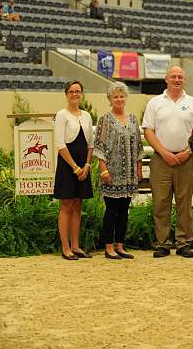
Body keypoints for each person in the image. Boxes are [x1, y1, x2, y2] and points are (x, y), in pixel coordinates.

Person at [142, 66, 193, 259]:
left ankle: (183, 242)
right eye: (173, 76)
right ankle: (163, 243)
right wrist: (164, 152)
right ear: (166, 79)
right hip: (161, 160)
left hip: (186, 159)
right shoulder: (155, 103)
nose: (177, 79)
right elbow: (148, 130)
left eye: (180, 77)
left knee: (184, 202)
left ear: (184, 80)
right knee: (161, 202)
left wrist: (188, 151)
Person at [94, 82, 144, 260]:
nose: (119, 99)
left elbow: (138, 145)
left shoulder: (132, 119)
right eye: (115, 96)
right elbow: (99, 146)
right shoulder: (105, 120)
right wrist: (104, 170)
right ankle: (108, 247)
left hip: (129, 174)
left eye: (122, 96)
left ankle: (121, 246)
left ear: (126, 98)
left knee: (124, 211)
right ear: (110, 99)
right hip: (112, 173)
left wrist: (139, 168)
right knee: (111, 211)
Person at [53, 81, 94, 260]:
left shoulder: (86, 116)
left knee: (78, 204)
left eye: (78, 91)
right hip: (67, 165)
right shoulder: (61, 115)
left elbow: (91, 144)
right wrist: (75, 167)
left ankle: (76, 246)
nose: (75, 94)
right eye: (71, 91)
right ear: (66, 94)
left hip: (83, 166)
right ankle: (65, 248)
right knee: (67, 204)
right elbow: (60, 144)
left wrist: (86, 165)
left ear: (82, 93)